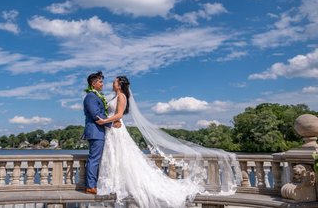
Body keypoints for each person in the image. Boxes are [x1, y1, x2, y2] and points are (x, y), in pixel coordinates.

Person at [95, 76, 240, 208]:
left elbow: (119, 115)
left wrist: (104, 121)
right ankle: (114, 183)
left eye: (114, 81)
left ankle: (124, 185)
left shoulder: (121, 96)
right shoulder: (114, 96)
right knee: (116, 157)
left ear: (119, 85)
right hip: (112, 130)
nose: (112, 83)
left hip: (117, 129)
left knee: (124, 156)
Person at [82, 71, 121, 195]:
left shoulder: (96, 96)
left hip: (99, 131)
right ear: (93, 84)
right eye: (100, 81)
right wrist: (111, 123)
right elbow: (96, 114)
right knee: (94, 159)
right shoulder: (90, 97)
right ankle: (90, 186)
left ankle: (93, 184)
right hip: (95, 132)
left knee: (96, 159)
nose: (102, 83)